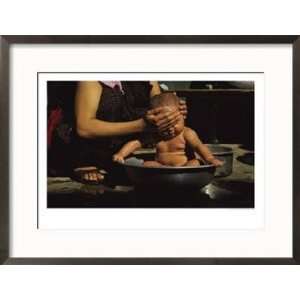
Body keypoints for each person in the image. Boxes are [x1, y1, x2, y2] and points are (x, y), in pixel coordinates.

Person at [72, 81, 187, 184]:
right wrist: (141, 125)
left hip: (127, 152)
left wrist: (173, 110)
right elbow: (84, 128)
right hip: (92, 151)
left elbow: (158, 104)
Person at [113, 92, 223, 167]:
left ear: (183, 115)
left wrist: (210, 159)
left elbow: (199, 147)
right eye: (165, 124)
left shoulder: (186, 133)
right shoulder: (156, 134)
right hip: (162, 168)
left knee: (196, 162)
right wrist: (121, 154)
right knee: (148, 164)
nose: (170, 128)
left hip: (185, 167)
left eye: (175, 122)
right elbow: (136, 143)